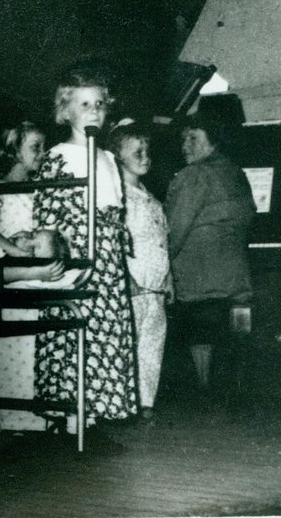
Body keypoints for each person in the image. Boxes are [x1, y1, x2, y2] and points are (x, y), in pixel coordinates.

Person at [33, 67, 138, 431]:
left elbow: (116, 210)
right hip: (77, 256)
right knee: (76, 331)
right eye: (84, 104)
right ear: (65, 111)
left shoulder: (108, 158)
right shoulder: (59, 156)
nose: (94, 111)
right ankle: (70, 413)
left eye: (99, 104)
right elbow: (48, 216)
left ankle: (93, 411)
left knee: (105, 334)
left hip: (108, 261)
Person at [165, 102, 255, 395]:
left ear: (213, 139)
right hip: (236, 283)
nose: (185, 146)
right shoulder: (236, 172)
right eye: (183, 139)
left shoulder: (194, 175)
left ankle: (204, 400)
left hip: (199, 286)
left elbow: (173, 232)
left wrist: (159, 270)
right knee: (232, 356)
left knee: (201, 361)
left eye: (193, 138)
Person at [0, 121, 54, 432]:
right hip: (14, 278)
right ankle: (11, 418)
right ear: (14, 150)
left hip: (37, 277)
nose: (42, 153)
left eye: (43, 147)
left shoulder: (39, 190)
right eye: (35, 147)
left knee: (33, 350)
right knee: (14, 349)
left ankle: (36, 418)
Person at [110, 119, 172, 422]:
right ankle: (122, 401)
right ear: (118, 157)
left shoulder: (152, 199)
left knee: (151, 346)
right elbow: (114, 243)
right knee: (126, 343)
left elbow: (162, 241)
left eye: (147, 151)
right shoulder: (117, 198)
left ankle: (145, 400)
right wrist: (125, 276)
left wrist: (169, 278)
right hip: (133, 286)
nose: (146, 158)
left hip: (156, 288)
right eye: (138, 152)